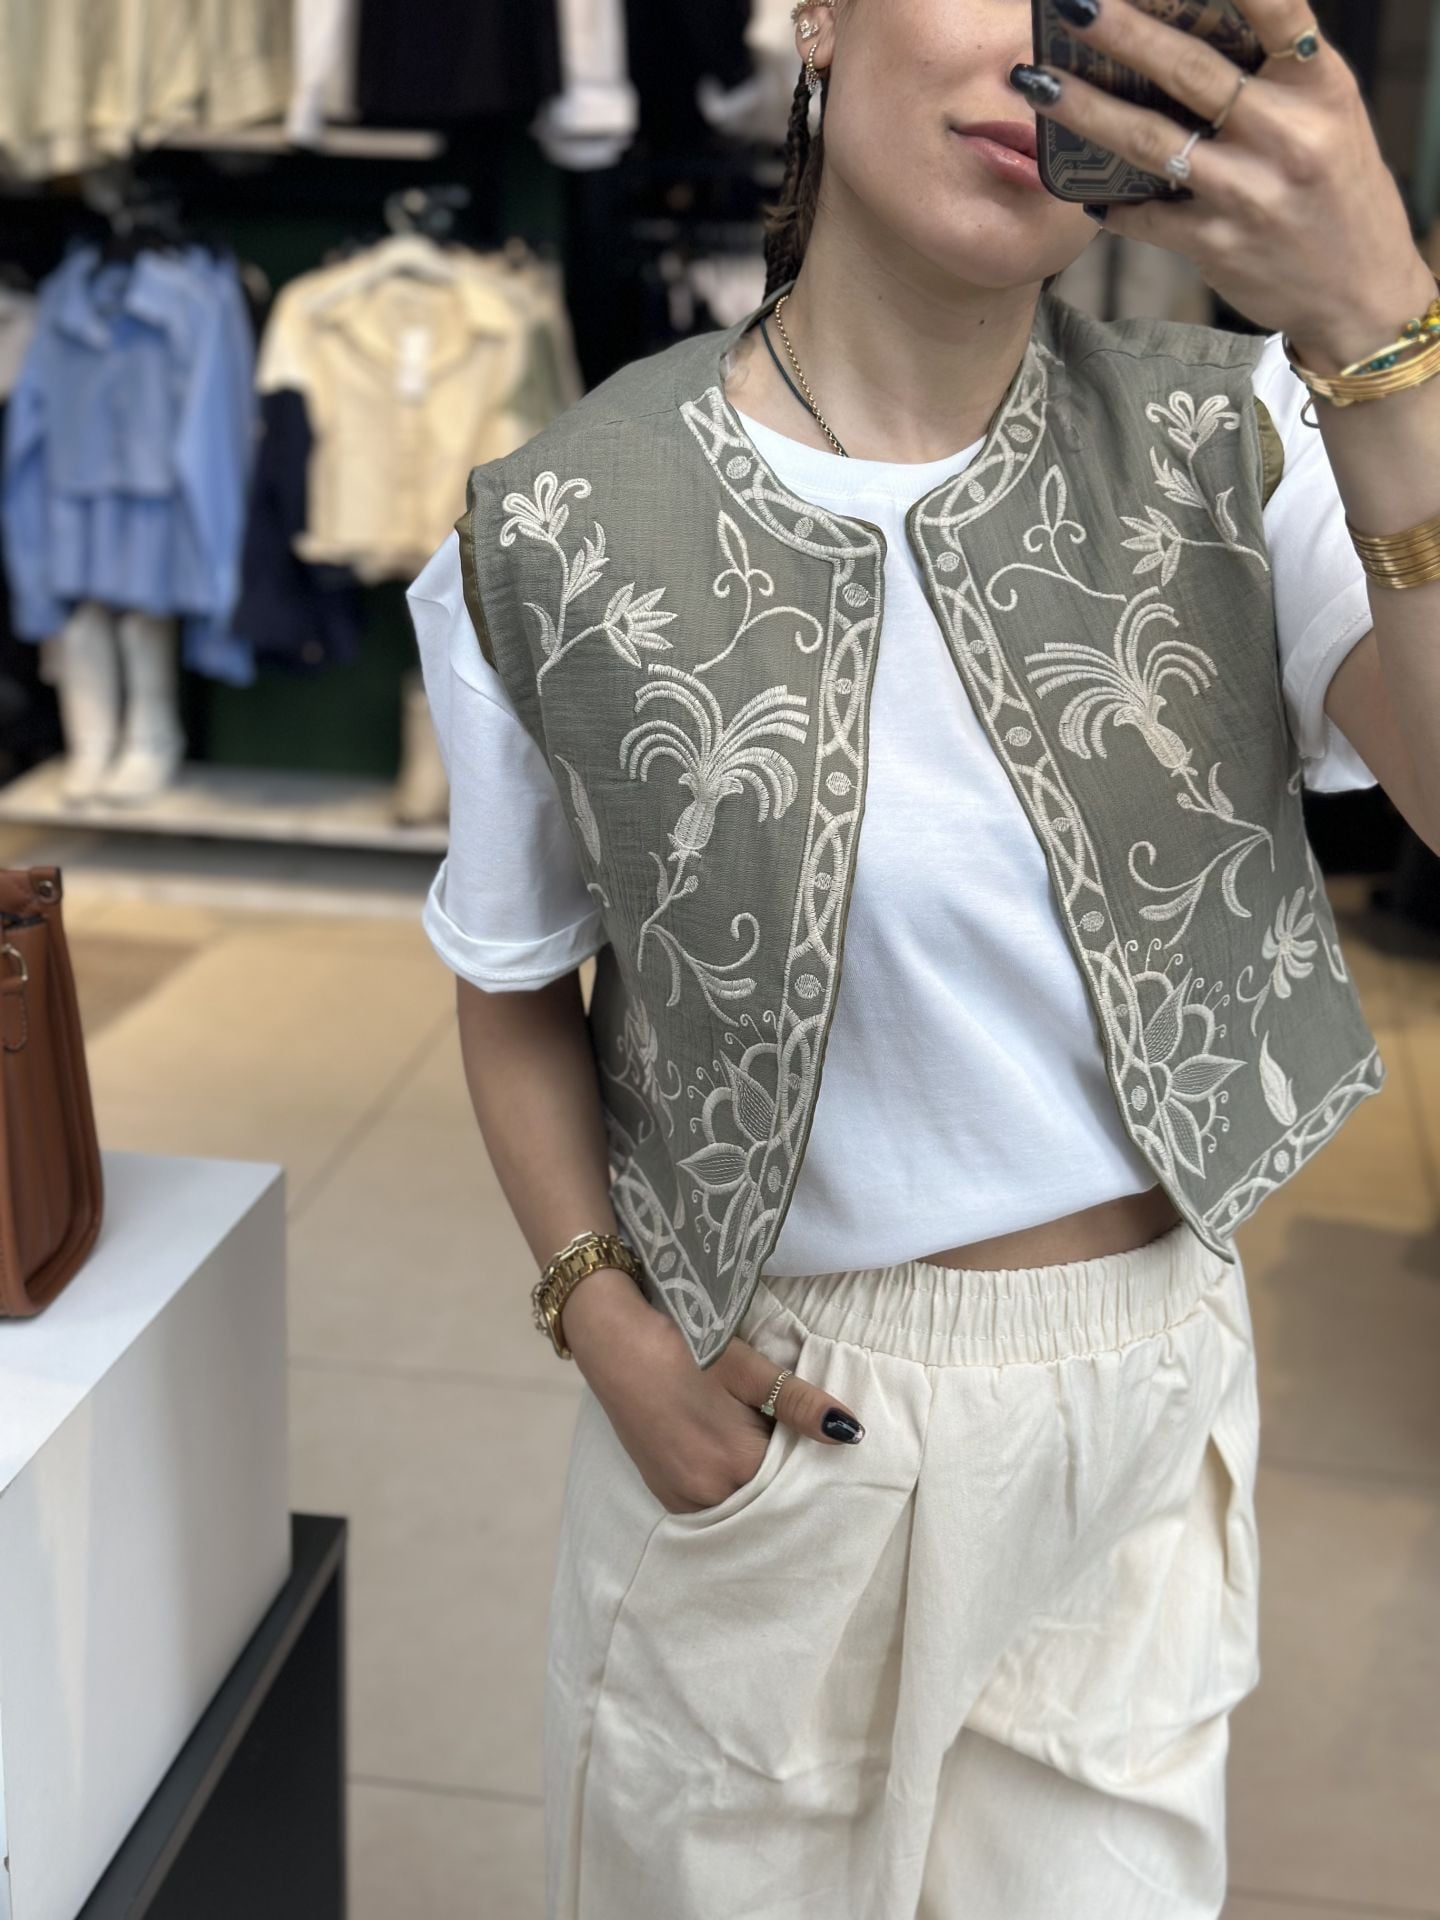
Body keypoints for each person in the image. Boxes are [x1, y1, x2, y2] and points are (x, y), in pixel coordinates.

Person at [407, 2, 1440, 1913]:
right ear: (819, 13)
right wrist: (599, 1315)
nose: (1043, 50)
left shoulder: (1253, 444)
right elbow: (510, 975)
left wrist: (1383, 330)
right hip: (768, 1415)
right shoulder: (557, 525)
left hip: (1137, 1415)